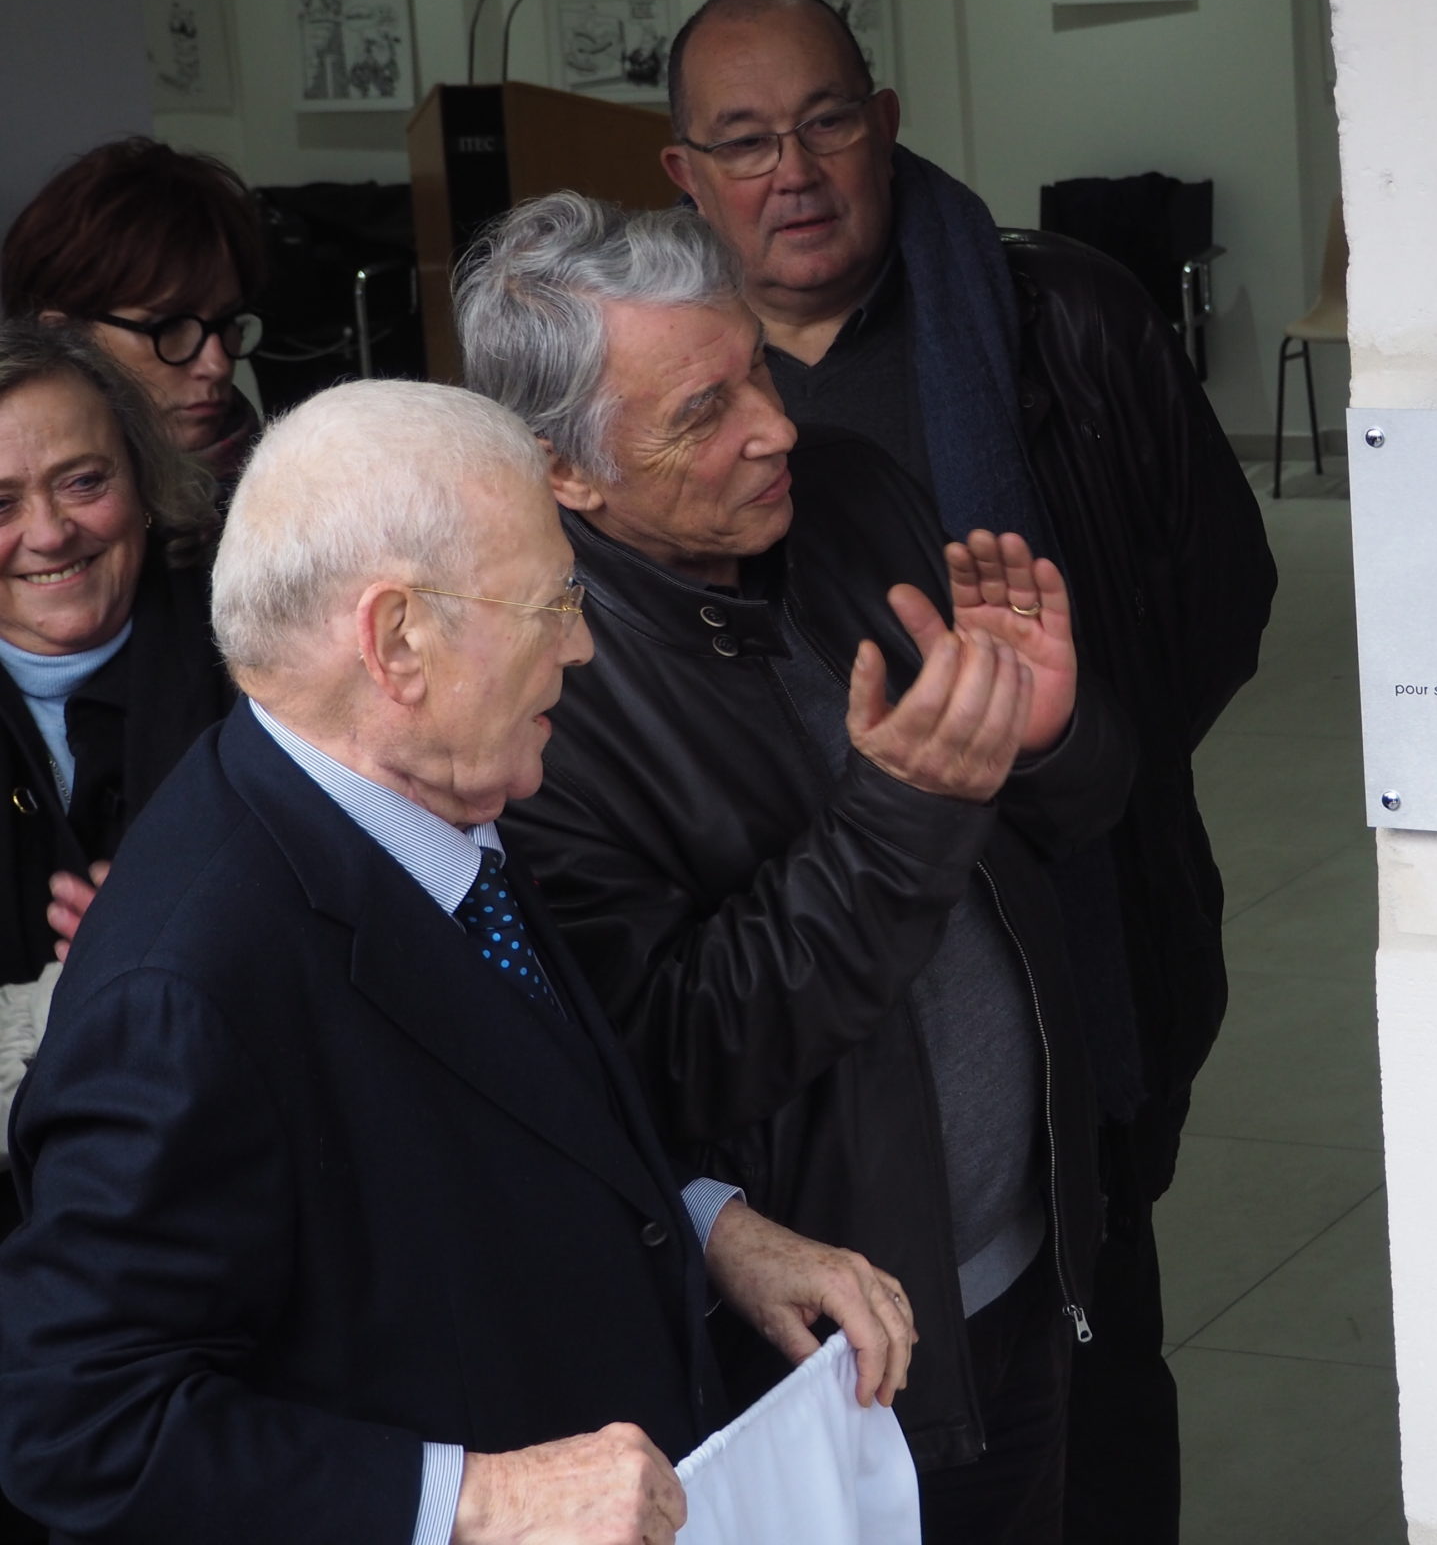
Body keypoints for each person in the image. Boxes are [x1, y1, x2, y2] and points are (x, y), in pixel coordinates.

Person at [0, 380, 918, 1545]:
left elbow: (483, 1133)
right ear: (397, 641)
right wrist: (477, 1499)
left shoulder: (428, 802)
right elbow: (76, 1422)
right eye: (552, 604)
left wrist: (707, 1228)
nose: (581, 646)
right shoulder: (189, 988)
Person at [658, 0, 1274, 1542]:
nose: (793, 170)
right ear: (682, 175)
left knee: (1097, 1388)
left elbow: (1215, 598)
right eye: (742, 142)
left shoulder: (1061, 318)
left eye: (825, 122)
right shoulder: (661, 385)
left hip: (1077, 938)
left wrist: (1051, 749)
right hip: (817, 1030)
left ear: (887, 123)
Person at [456, 192, 1135, 1542]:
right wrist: (904, 809)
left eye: (755, 363)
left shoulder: (847, 496)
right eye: (700, 413)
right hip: (817, 1353)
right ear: (563, 473)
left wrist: (1048, 737)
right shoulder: (534, 698)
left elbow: (1077, 822)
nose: (773, 425)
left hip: (1018, 1264)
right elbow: (673, 1053)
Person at [0, 324, 232, 1545]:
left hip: (229, 1285)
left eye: (82, 482)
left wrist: (184, 930)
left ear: (144, 483)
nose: (48, 535)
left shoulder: (261, 657)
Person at [1, 139, 267, 483]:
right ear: (61, 339)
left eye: (226, 321)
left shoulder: (293, 492)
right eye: (167, 327)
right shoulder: (33, 529)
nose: (216, 365)